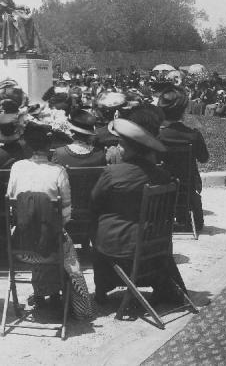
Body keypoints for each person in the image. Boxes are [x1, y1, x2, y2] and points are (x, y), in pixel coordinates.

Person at [90, 113, 189, 307]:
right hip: (154, 247)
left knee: (98, 227)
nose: (118, 147)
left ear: (130, 148)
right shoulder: (162, 175)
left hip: (120, 247)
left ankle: (102, 289)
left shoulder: (112, 173)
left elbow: (94, 202)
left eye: (121, 143)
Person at [6, 122, 91, 317]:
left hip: (21, 246)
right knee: (57, 236)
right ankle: (61, 296)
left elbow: (12, 204)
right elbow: (66, 214)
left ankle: (42, 292)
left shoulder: (17, 168)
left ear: (27, 145)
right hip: (51, 249)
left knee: (39, 231)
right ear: (48, 146)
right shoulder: (58, 171)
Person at [157, 86, 210, 231]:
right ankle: (185, 215)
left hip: (162, 188)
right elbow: (204, 158)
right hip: (188, 186)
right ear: (183, 112)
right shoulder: (193, 135)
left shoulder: (156, 137)